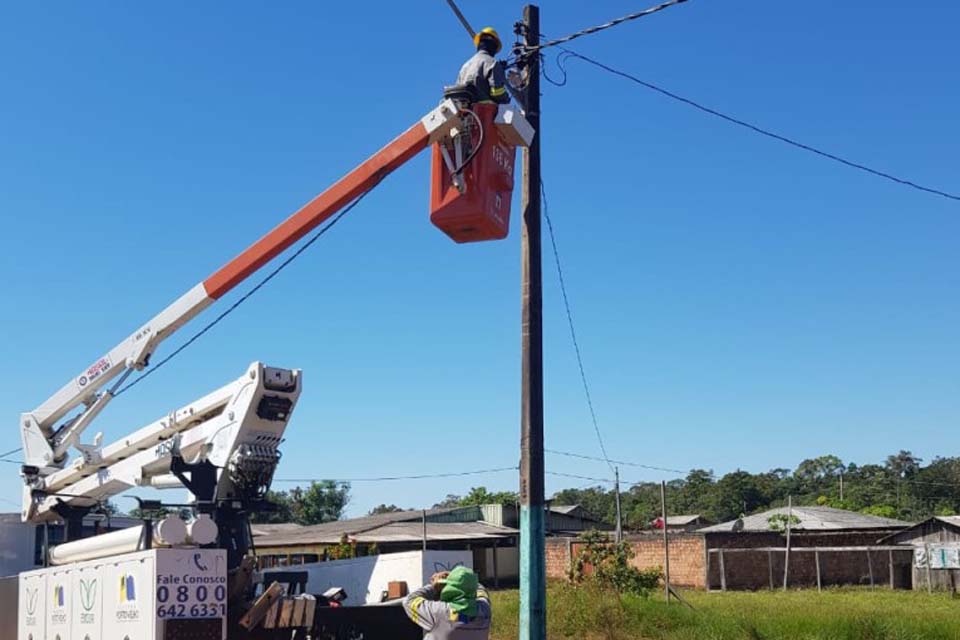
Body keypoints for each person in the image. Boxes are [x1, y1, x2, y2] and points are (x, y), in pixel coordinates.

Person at [403, 566, 491, 639]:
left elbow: (409, 601)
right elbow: (481, 590)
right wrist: (464, 579)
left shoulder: (439, 612)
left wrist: (434, 586)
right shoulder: (484, 610)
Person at [456, 27, 510, 105]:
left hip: (465, 112)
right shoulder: (492, 63)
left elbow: (457, 92)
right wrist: (506, 98)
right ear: (494, 47)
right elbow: (497, 93)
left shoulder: (465, 66)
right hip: (484, 112)